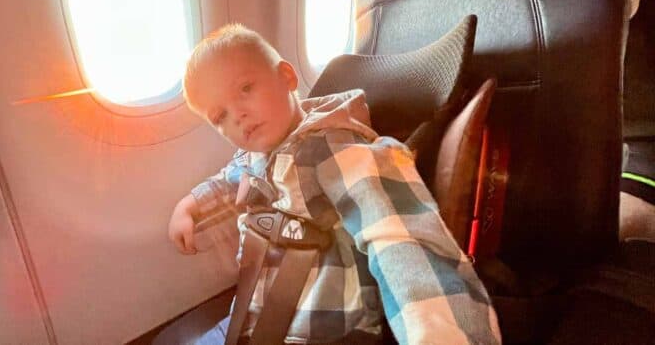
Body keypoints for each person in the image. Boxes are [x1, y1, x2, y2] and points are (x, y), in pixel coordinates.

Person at [168, 24, 501, 345]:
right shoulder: (254, 156)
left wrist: (444, 334)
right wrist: (190, 205)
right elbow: (228, 179)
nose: (237, 114)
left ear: (286, 77)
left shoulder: (336, 150)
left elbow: (400, 238)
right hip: (253, 316)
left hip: (319, 330)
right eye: (219, 116)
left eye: (244, 89)